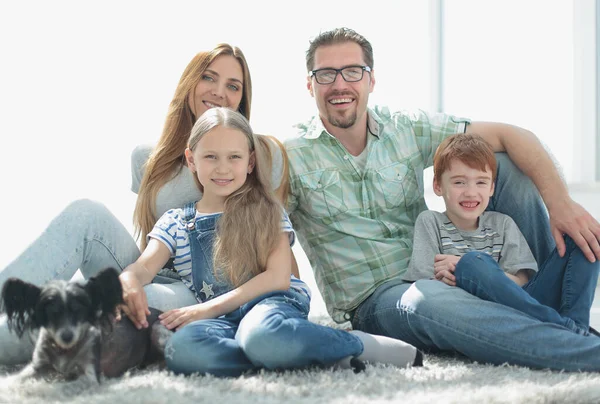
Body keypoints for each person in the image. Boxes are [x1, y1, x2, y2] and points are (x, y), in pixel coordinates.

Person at [283, 27, 600, 371]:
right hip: (381, 301)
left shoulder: (405, 128)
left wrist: (561, 205)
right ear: (310, 84)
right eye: (326, 74)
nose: (340, 84)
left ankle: (533, 297)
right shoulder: (289, 157)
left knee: (502, 163)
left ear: (371, 80)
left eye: (353, 72)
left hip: (453, 273)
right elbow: (266, 230)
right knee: (427, 297)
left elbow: (514, 135)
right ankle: (583, 349)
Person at [0, 43, 287, 367]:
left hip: (204, 290)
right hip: (154, 269)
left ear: (242, 98)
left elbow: (273, 243)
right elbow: (151, 241)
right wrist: (130, 280)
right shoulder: (149, 158)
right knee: (86, 218)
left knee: (123, 305)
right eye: (209, 78)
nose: (219, 92)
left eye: (233, 86)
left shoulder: (261, 154)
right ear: (190, 82)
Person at [118, 107, 421, 377]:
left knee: (262, 334)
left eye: (234, 157)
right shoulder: (176, 222)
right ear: (191, 159)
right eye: (210, 156)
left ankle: (355, 345)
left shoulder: (266, 209)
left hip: (271, 304)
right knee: (182, 349)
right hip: (223, 321)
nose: (223, 168)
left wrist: (204, 310)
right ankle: (300, 355)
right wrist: (129, 278)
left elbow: (278, 278)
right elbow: (144, 268)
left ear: (250, 162)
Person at [404, 133, 599, 336]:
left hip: (525, 305)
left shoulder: (502, 224)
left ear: (492, 188)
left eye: (481, 182)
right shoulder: (430, 222)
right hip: (477, 319)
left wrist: (463, 268)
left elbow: (523, 282)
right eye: (459, 182)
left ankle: (577, 331)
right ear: (438, 186)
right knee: (472, 263)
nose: (471, 192)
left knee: (587, 236)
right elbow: (425, 288)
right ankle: (566, 330)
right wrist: (471, 269)